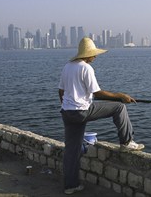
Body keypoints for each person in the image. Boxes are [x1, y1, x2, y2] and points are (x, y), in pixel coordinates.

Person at [58, 37, 144, 195]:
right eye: (93, 54)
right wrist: (121, 96)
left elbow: (61, 91)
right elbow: (97, 93)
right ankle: (126, 142)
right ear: (87, 54)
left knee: (71, 150)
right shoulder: (86, 68)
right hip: (81, 111)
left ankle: (70, 186)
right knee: (119, 107)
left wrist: (67, 105)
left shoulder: (67, 67)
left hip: (67, 113)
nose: (95, 56)